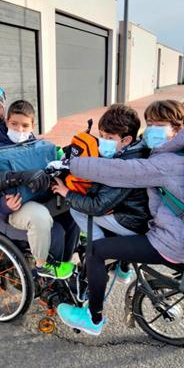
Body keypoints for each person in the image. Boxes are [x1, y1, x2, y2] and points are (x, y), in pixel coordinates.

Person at [54, 99, 184, 335]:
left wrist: (70, 163)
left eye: (157, 124)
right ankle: (121, 269)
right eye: (148, 123)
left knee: (96, 250)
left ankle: (93, 318)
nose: (149, 129)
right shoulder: (182, 151)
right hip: (180, 234)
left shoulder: (166, 162)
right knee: (114, 238)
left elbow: (119, 172)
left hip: (166, 241)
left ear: (178, 129)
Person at [0, 84, 79, 276]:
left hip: (35, 199)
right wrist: (2, 205)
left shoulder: (30, 142)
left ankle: (63, 268)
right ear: (8, 122)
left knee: (72, 210)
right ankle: (43, 268)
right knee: (50, 227)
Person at [51, 105, 150, 284]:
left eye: (109, 138)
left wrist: (67, 193)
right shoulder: (134, 151)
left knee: (77, 209)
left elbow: (97, 206)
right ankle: (122, 269)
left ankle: (99, 247)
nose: (103, 141)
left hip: (131, 221)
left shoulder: (125, 166)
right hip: (136, 213)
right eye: (102, 135)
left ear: (127, 140)